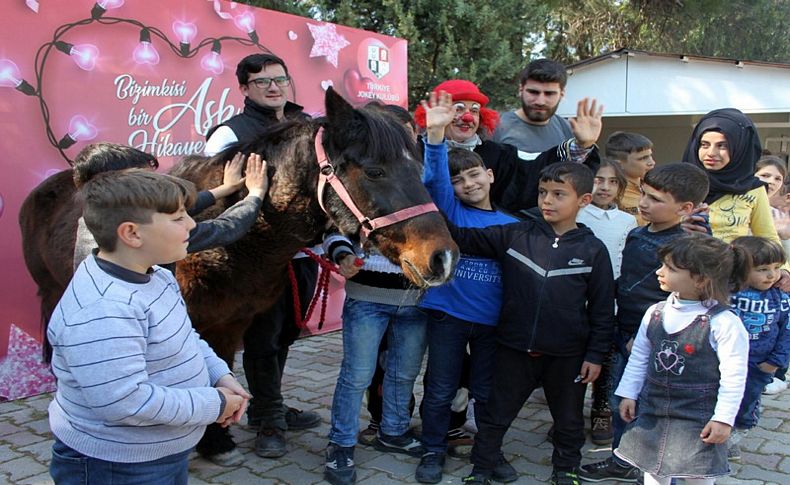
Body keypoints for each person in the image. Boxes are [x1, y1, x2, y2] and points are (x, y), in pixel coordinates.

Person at [47, 170, 250, 484]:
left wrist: (219, 374)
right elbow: (126, 402)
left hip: (159, 452)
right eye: (178, 218)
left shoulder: (157, 275)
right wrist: (216, 403)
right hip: (117, 466)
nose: (192, 224)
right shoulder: (104, 311)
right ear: (132, 234)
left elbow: (186, 337)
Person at [450, 163, 615, 485]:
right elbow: (459, 236)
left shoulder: (593, 250)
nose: (547, 201)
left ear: (583, 200)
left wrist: (595, 356)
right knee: (495, 417)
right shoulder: (514, 234)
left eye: (558, 194)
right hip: (513, 349)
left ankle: (566, 469)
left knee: (568, 420)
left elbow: (602, 310)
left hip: (567, 356)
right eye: (542, 193)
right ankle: (481, 469)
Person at [205, 53, 321, 459]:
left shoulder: (306, 127)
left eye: (280, 79)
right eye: (262, 82)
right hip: (253, 263)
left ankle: (266, 406)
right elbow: (219, 201)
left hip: (303, 255)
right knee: (262, 340)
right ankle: (267, 419)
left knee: (285, 334)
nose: (274, 87)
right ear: (244, 89)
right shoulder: (227, 133)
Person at [579, 162, 711, 483]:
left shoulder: (686, 245)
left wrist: (648, 337)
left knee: (647, 405)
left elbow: (689, 294)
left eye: (655, 199)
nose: (644, 203)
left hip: (653, 339)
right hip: (621, 330)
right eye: (645, 194)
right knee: (621, 400)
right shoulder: (637, 233)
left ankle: (653, 464)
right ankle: (624, 460)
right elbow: (627, 281)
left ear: (686, 208)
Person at [321, 107, 429, 485]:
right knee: (357, 375)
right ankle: (341, 442)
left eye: (403, 132)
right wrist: (343, 253)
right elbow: (337, 228)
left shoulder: (417, 177)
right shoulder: (367, 182)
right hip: (367, 299)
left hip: (414, 301)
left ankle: (394, 431)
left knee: (403, 373)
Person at [414, 91, 519, 484]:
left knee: (487, 394)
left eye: (474, 175)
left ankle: (491, 453)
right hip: (449, 317)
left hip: (493, 324)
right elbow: (435, 179)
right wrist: (436, 136)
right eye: (459, 181)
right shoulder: (451, 209)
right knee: (440, 390)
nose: (468, 184)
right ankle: (432, 451)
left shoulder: (514, 224)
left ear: (490, 175)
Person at [614, 233, 750, 485]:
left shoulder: (724, 323)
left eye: (670, 268)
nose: (659, 271)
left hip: (697, 418)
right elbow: (639, 357)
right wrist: (628, 394)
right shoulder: (655, 313)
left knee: (697, 476)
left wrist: (723, 419)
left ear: (700, 279)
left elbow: (735, 377)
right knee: (653, 470)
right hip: (654, 409)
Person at [413, 79, 602, 217]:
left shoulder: (498, 154)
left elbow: (535, 171)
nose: (468, 117)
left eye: (475, 110)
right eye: (458, 108)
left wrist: (581, 146)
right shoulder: (411, 152)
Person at [575, 158, 638, 445]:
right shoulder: (579, 213)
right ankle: (569, 413)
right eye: (599, 179)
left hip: (611, 299)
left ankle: (601, 409)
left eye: (613, 182)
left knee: (606, 358)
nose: (605, 187)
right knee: (575, 358)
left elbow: (625, 258)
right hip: (577, 296)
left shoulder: (627, 221)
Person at [727, 236, 790, 459]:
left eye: (776, 268)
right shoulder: (726, 291)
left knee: (747, 402)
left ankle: (734, 437)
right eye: (763, 269)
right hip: (724, 359)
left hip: (758, 362)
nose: (772, 275)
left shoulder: (780, 296)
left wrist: (775, 362)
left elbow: (787, 331)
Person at [681, 108, 780, 244]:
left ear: (740, 148)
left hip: (732, 264)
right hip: (680, 262)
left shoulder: (752, 189)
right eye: (704, 145)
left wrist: (782, 266)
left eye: (722, 146)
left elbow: (768, 239)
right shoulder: (678, 184)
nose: (711, 153)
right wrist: (677, 230)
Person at [754, 155, 790, 395]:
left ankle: (775, 372)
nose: (772, 181)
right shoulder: (743, 204)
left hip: (774, 282)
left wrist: (785, 270)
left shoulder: (780, 215)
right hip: (744, 281)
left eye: (778, 177)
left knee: (775, 326)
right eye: (765, 175)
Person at [493, 58, 574, 156]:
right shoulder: (495, 127)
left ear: (561, 95)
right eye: (533, 92)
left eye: (549, 94)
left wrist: (587, 145)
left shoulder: (569, 130)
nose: (540, 102)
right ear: (521, 90)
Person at [605, 131, 656, 225]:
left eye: (650, 156)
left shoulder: (656, 188)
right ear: (619, 164)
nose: (652, 162)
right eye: (643, 158)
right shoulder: (610, 195)